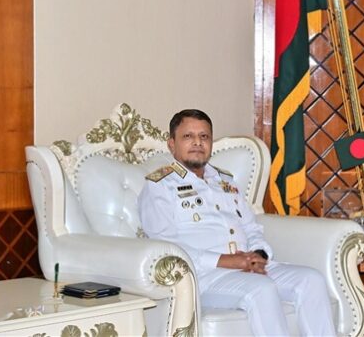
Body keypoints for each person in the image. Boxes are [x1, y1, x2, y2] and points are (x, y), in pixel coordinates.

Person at [139, 109, 336, 337]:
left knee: (311, 280)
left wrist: (259, 255)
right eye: (188, 137)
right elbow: (165, 247)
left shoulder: (225, 181)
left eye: (204, 137)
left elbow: (251, 228)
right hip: (203, 277)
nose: (197, 143)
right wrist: (227, 261)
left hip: (247, 266)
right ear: (172, 144)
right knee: (262, 289)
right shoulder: (160, 186)